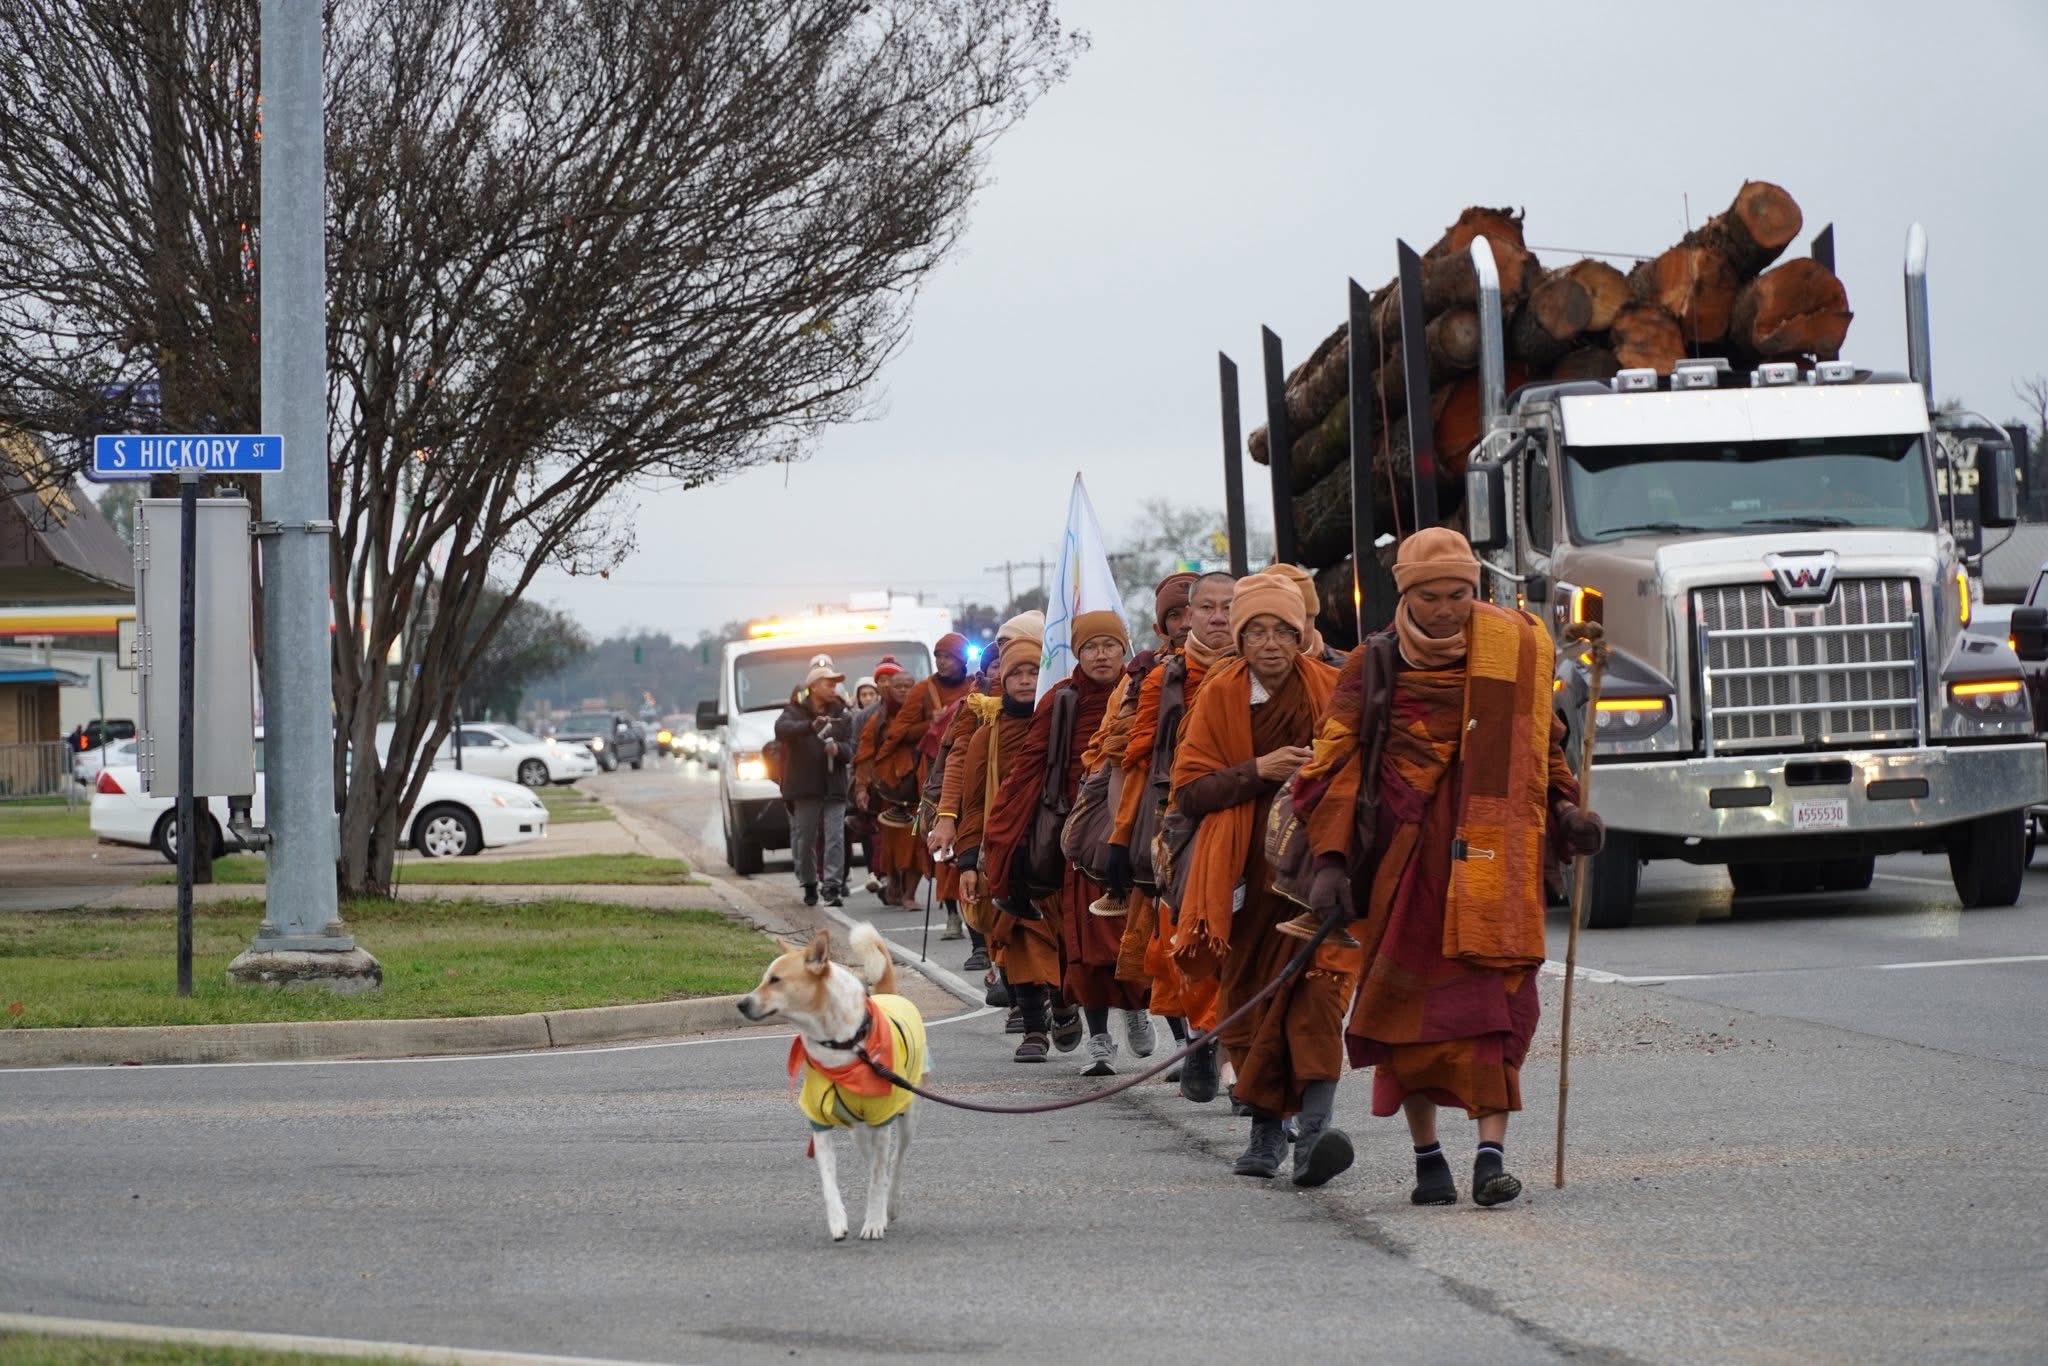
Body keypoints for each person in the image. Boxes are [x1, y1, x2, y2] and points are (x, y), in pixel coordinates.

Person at [1296, 527, 1603, 1207]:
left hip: (1494, 870)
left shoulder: (1515, 652)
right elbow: (1328, 766)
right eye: (1431, 596)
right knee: (1409, 1022)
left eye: (1460, 594)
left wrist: (1567, 808)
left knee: (1493, 1013)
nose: (1447, 609)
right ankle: (1427, 1160)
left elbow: (1544, 747)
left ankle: (1490, 1159)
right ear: (1405, 594)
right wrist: (1333, 860)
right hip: (1404, 871)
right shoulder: (1372, 666)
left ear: (1478, 589)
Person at [1169, 574, 1342, 1181]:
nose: (1271, 644)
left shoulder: (1329, 687)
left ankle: (1316, 1133)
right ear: (1239, 639)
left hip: (1317, 878)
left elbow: (1361, 773)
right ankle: (1267, 1134)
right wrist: (1258, 769)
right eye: (1257, 631)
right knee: (1250, 1004)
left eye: (1283, 631)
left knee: (1317, 999)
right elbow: (1190, 791)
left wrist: (1321, 774)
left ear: (1302, 635)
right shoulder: (1219, 697)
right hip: (1245, 879)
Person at [982, 610, 1142, 1075]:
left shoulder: (1144, 690)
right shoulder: (1061, 700)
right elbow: (1028, 769)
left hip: (1134, 833)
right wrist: (1000, 838)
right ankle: (1099, 1041)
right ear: (1077, 653)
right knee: (1084, 947)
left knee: (1134, 937)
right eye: (1090, 646)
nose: (1100, 654)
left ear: (1123, 646)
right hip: (1078, 839)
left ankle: (1138, 1009)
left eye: (1109, 645)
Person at [1108, 569, 1236, 1101]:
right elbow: (1139, 758)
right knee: (1194, 940)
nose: (1215, 618)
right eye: (1203, 608)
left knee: (1248, 943)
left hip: (1254, 818)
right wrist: (1122, 841)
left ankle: (1236, 1062)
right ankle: (1207, 1040)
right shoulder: (1166, 678)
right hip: (1183, 824)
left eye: (1228, 606)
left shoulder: (1275, 669)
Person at [1079, 572, 1195, 1064]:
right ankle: (1194, 1044)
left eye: (1201, 610)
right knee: (1163, 937)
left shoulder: (1245, 671)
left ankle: (1217, 1047)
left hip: (1225, 811)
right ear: (1160, 624)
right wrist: (1122, 833)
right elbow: (1112, 753)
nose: (1191, 622)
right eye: (1177, 614)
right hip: (1156, 820)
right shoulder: (1142, 680)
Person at [933, 611, 1046, 991]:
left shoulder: (1061, 706)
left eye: (1031, 665)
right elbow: (958, 761)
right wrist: (947, 815)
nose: (1016, 675)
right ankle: (1018, 993)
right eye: (1002, 661)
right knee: (1004, 909)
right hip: (994, 824)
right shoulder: (979, 711)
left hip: (1050, 826)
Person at [952, 632, 1045, 1054]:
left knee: (1057, 937)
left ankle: (1061, 1008)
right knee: (1015, 935)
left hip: (1052, 846)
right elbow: (973, 804)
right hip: (1004, 852)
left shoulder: (1059, 722)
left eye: (1034, 672)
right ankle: (1032, 1028)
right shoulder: (985, 737)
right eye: (1017, 674)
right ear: (1001, 681)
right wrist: (968, 861)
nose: (1026, 681)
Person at [878, 634, 977, 936]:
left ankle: (977, 917)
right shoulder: (923, 690)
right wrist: (931, 724)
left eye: (948, 656)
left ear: (961, 659)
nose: (943, 662)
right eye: (938, 657)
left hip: (972, 772)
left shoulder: (976, 687)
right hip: (935, 776)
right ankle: (951, 914)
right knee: (942, 844)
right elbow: (898, 732)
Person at [774, 658, 854, 907]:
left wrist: (837, 750)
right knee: (805, 837)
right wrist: (810, 727)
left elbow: (852, 748)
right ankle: (809, 883)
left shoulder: (842, 713)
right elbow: (781, 729)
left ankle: (832, 885)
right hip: (804, 785)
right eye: (828, 684)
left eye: (834, 684)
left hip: (834, 784)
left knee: (834, 837)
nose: (833, 689)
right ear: (815, 686)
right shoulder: (795, 711)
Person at [853, 658, 919, 906]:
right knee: (890, 845)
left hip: (919, 789)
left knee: (917, 845)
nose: (901, 690)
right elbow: (865, 753)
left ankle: (910, 894)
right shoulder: (877, 717)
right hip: (889, 791)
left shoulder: (922, 714)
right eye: (895, 685)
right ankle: (893, 881)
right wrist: (861, 787)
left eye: (906, 685)